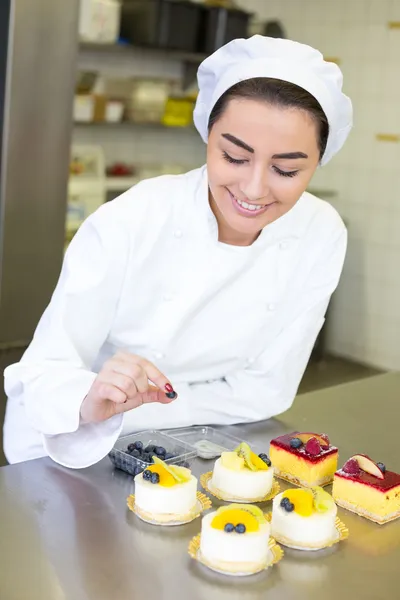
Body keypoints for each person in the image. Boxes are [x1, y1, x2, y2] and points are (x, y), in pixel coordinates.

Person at [3, 36, 352, 468]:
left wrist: (145, 409)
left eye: (286, 169)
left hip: (208, 447)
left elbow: (268, 390)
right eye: (234, 156)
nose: (254, 188)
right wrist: (91, 400)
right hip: (72, 445)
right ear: (208, 136)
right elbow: (44, 372)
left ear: (319, 161)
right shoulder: (134, 217)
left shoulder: (321, 233)